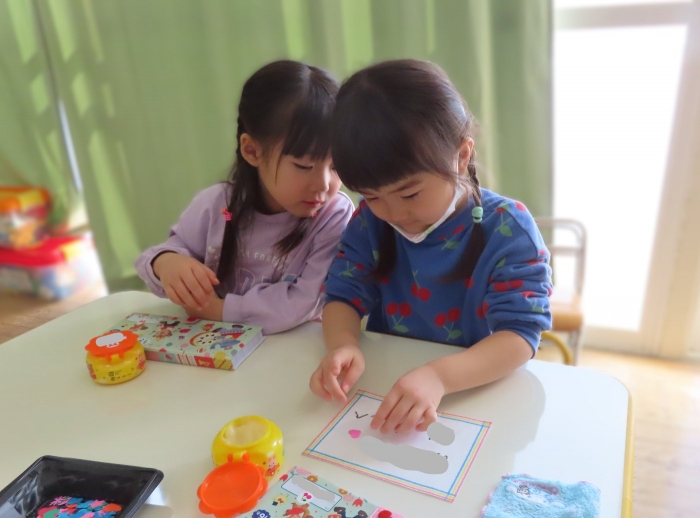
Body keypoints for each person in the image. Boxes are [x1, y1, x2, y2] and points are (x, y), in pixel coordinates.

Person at [310, 59, 552, 433]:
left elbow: (520, 335)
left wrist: (439, 377)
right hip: (389, 384)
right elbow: (343, 294)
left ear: (462, 156)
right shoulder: (370, 219)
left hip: (474, 390)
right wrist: (342, 344)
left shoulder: (508, 228)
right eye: (372, 196)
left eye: (409, 193)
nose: (392, 212)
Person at [136, 61, 353, 334]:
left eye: (336, 166)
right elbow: (167, 251)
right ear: (252, 151)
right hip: (215, 345)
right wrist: (166, 263)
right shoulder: (220, 205)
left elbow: (304, 302)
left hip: (292, 347)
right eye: (303, 166)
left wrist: (217, 310)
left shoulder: (333, 216)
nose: (323, 185)